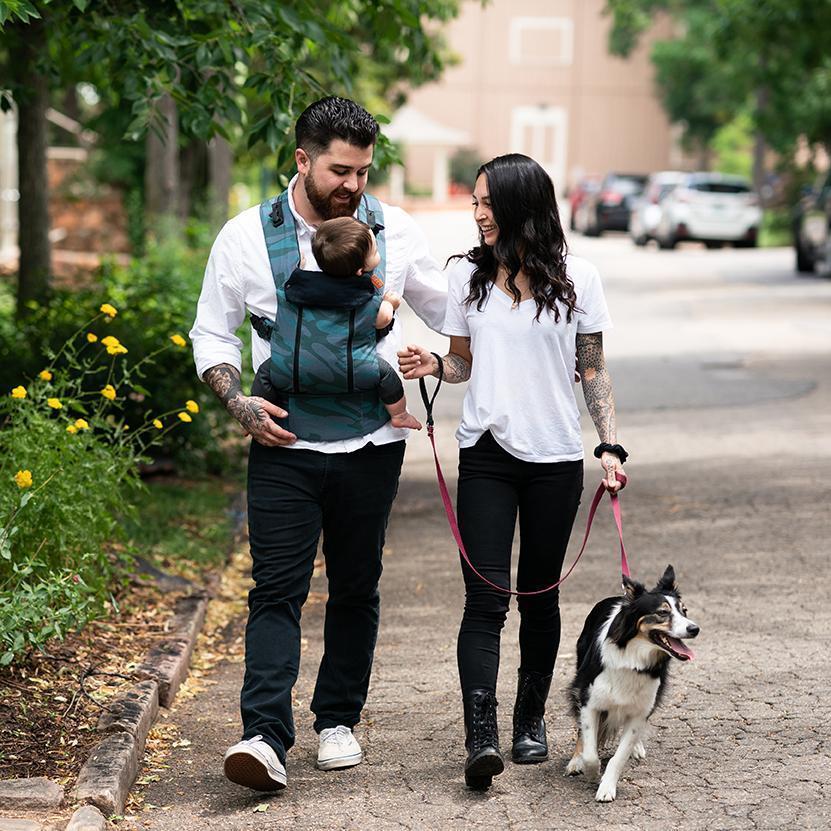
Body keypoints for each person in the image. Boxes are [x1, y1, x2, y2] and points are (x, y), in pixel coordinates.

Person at [189, 96, 446, 792]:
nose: (353, 187)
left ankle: (337, 720)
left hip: (369, 442)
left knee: (356, 585)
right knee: (275, 587)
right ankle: (263, 735)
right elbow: (212, 332)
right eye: (339, 170)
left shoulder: (394, 231)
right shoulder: (245, 236)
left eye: (362, 171)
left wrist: (451, 353)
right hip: (283, 443)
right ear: (301, 160)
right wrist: (239, 402)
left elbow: (454, 307)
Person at [398, 153, 627, 791]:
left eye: (486, 203)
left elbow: (594, 368)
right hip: (488, 454)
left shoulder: (578, 278)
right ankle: (481, 735)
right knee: (485, 595)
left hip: (555, 455)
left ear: (523, 204)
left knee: (541, 594)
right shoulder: (466, 278)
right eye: (474, 203)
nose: (477, 214)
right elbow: (463, 363)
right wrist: (432, 366)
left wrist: (609, 445)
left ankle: (531, 720)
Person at [250, 216, 421, 431]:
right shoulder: (363, 297)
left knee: (266, 372)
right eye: (375, 252)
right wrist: (389, 303)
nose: (378, 254)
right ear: (360, 271)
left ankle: (259, 414)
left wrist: (301, 266)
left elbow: (291, 286)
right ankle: (399, 415)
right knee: (386, 374)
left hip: (293, 369)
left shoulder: (299, 285)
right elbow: (382, 321)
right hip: (354, 369)